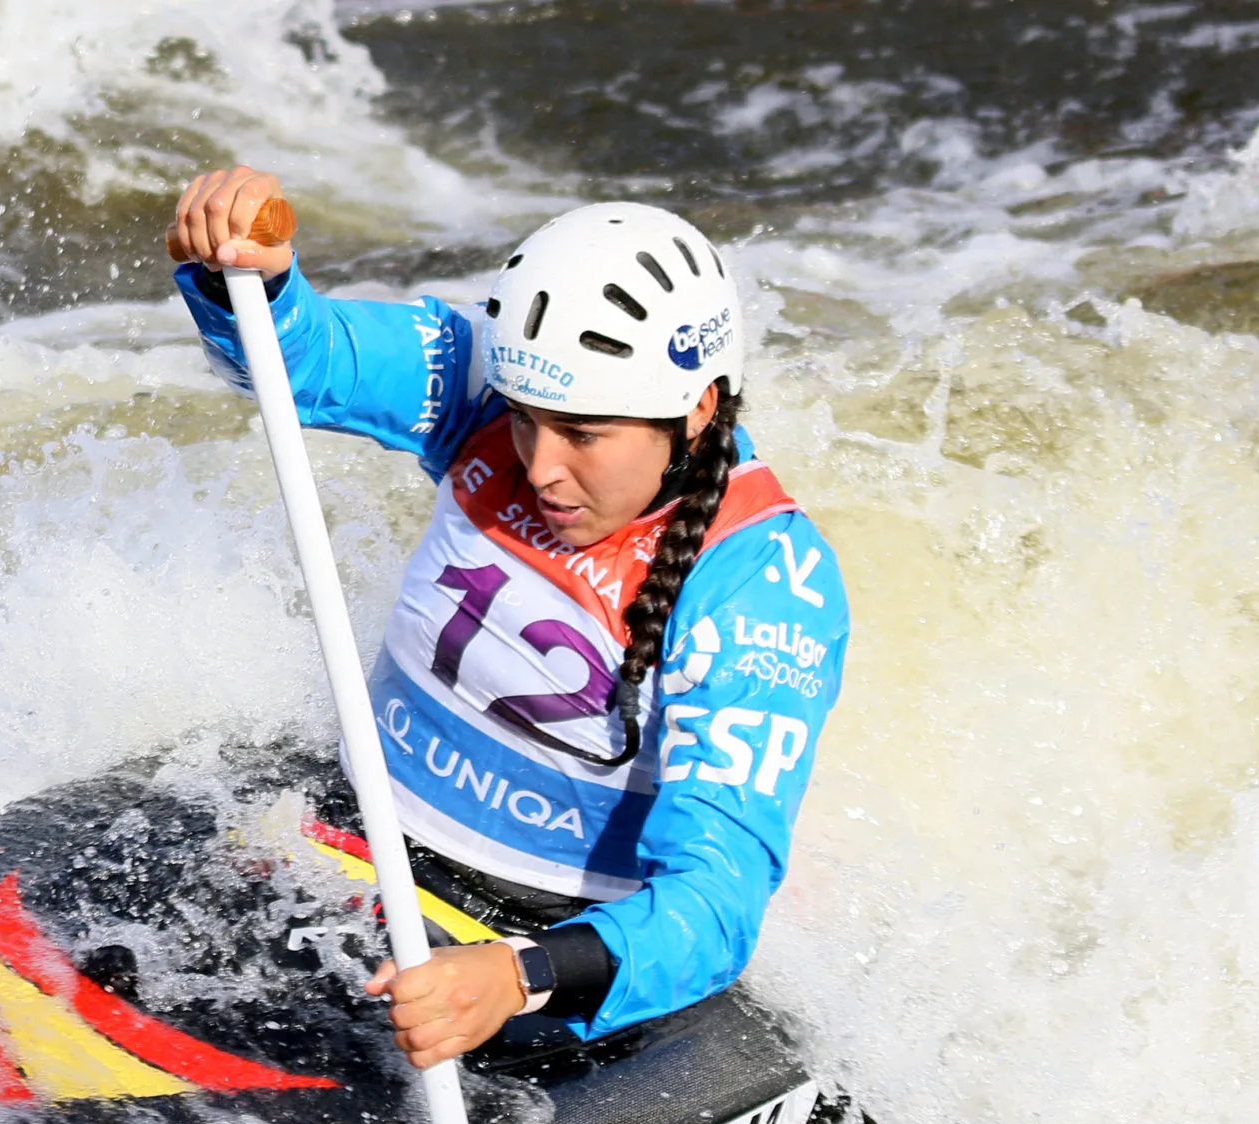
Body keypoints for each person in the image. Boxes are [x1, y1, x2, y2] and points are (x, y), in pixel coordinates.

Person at [168, 167, 847, 1070]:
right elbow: (303, 355)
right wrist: (242, 276)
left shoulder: (764, 588)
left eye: (585, 434)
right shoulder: (485, 383)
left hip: (537, 947)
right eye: (528, 422)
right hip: (351, 835)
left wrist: (514, 974)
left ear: (699, 408)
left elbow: (715, 903)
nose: (542, 468)